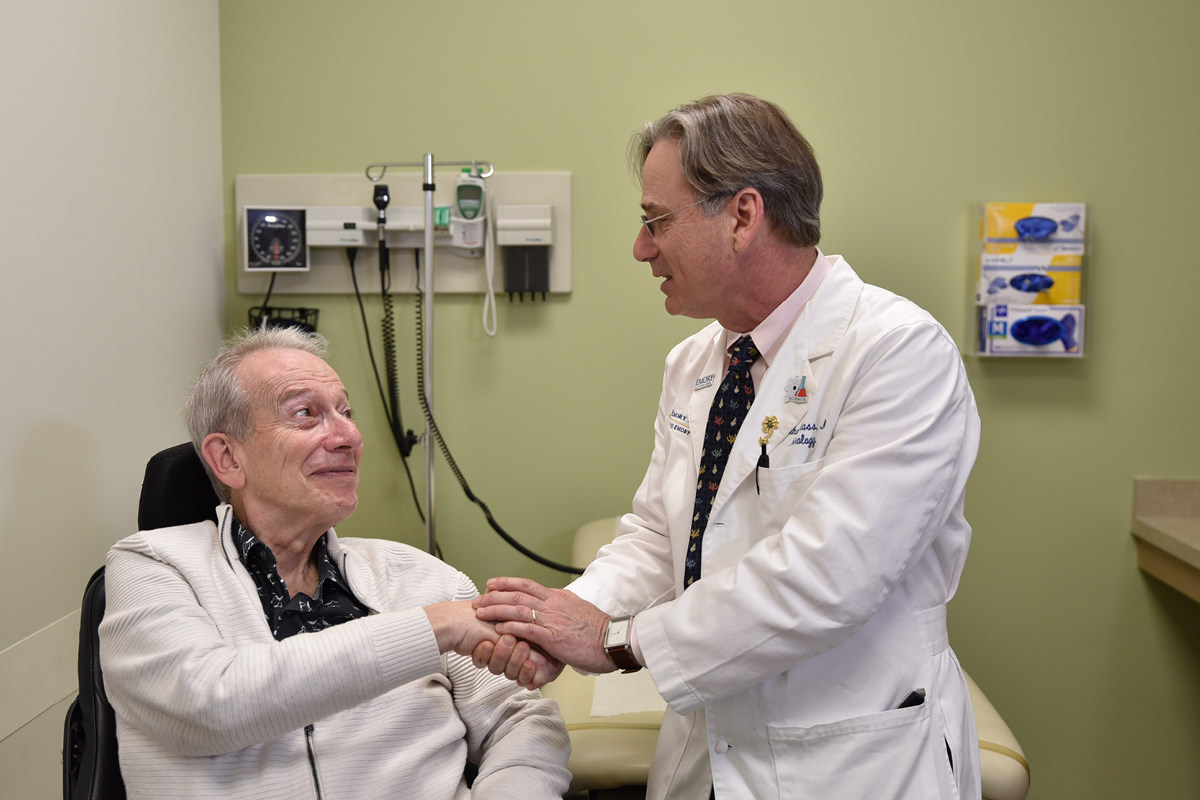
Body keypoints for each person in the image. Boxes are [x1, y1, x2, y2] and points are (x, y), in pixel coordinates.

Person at [473, 93, 982, 800]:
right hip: (709, 748)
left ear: (743, 216)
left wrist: (618, 642)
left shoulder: (897, 352)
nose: (640, 247)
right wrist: (560, 620)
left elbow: (827, 578)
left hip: (845, 760)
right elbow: (659, 535)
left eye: (656, 221)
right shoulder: (696, 363)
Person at [99, 326, 570, 800]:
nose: (349, 435)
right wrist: (434, 628)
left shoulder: (419, 577)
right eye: (306, 414)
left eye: (345, 411)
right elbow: (208, 706)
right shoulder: (153, 567)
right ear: (227, 458)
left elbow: (521, 721)